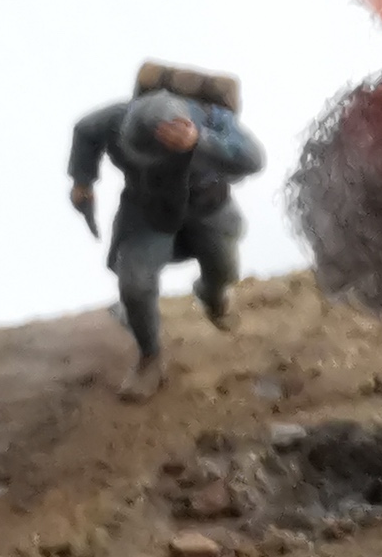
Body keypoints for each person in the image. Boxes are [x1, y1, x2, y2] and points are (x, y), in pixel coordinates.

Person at [69, 70, 264, 403]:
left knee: (223, 269)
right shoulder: (117, 118)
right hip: (148, 210)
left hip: (207, 207)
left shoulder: (212, 120)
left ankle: (212, 294)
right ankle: (150, 357)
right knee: (134, 285)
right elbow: (86, 131)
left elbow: (253, 158)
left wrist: (200, 141)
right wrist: (82, 181)